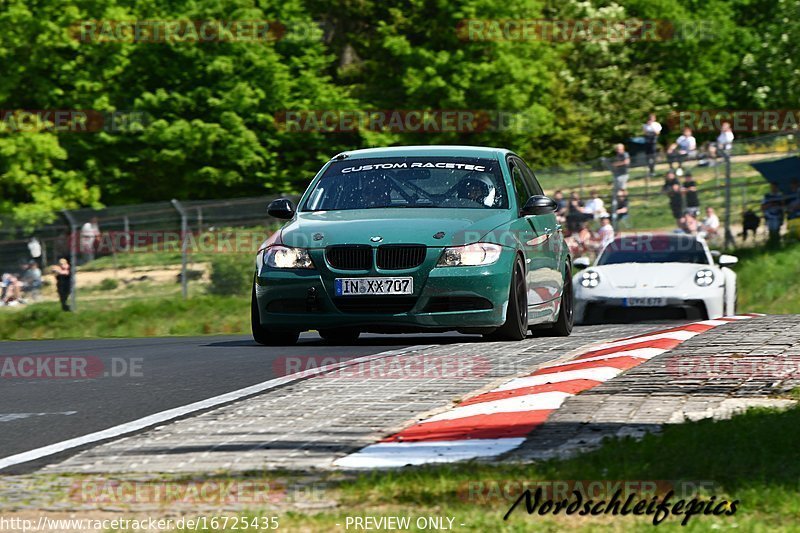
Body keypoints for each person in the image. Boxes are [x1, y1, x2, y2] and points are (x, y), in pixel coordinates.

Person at [761, 183, 785, 247]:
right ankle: (772, 243)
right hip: (769, 215)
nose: (773, 189)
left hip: (777, 215)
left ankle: (777, 243)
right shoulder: (767, 196)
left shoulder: (780, 196)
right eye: (772, 187)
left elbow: (783, 206)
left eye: (775, 187)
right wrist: (770, 204)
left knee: (776, 229)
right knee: (771, 230)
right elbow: (762, 207)